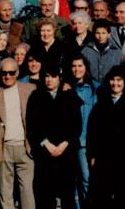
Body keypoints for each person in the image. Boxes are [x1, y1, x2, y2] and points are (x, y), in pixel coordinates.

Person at [86, 65, 125, 209]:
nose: (115, 83)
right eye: (112, 80)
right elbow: (93, 131)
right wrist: (93, 155)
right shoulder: (101, 103)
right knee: (102, 198)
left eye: (119, 80)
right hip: (105, 159)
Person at [26, 66, 82, 209]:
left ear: (59, 78)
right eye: (46, 76)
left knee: (67, 196)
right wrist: (46, 144)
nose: (49, 80)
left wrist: (64, 144)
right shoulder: (36, 96)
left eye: (53, 76)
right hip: (45, 153)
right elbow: (32, 126)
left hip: (66, 153)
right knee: (45, 196)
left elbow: (76, 125)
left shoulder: (70, 97)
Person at [0, 58, 37, 209]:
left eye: (11, 73)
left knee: (26, 190)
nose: (8, 76)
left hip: (25, 148)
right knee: (5, 191)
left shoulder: (30, 89)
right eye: (4, 73)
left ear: (18, 73)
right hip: (3, 149)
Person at [66, 55, 99, 209]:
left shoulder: (95, 88)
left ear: (86, 67)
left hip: (85, 141)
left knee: (86, 179)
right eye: (74, 66)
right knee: (71, 181)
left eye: (80, 65)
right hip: (68, 142)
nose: (77, 69)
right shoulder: (66, 87)